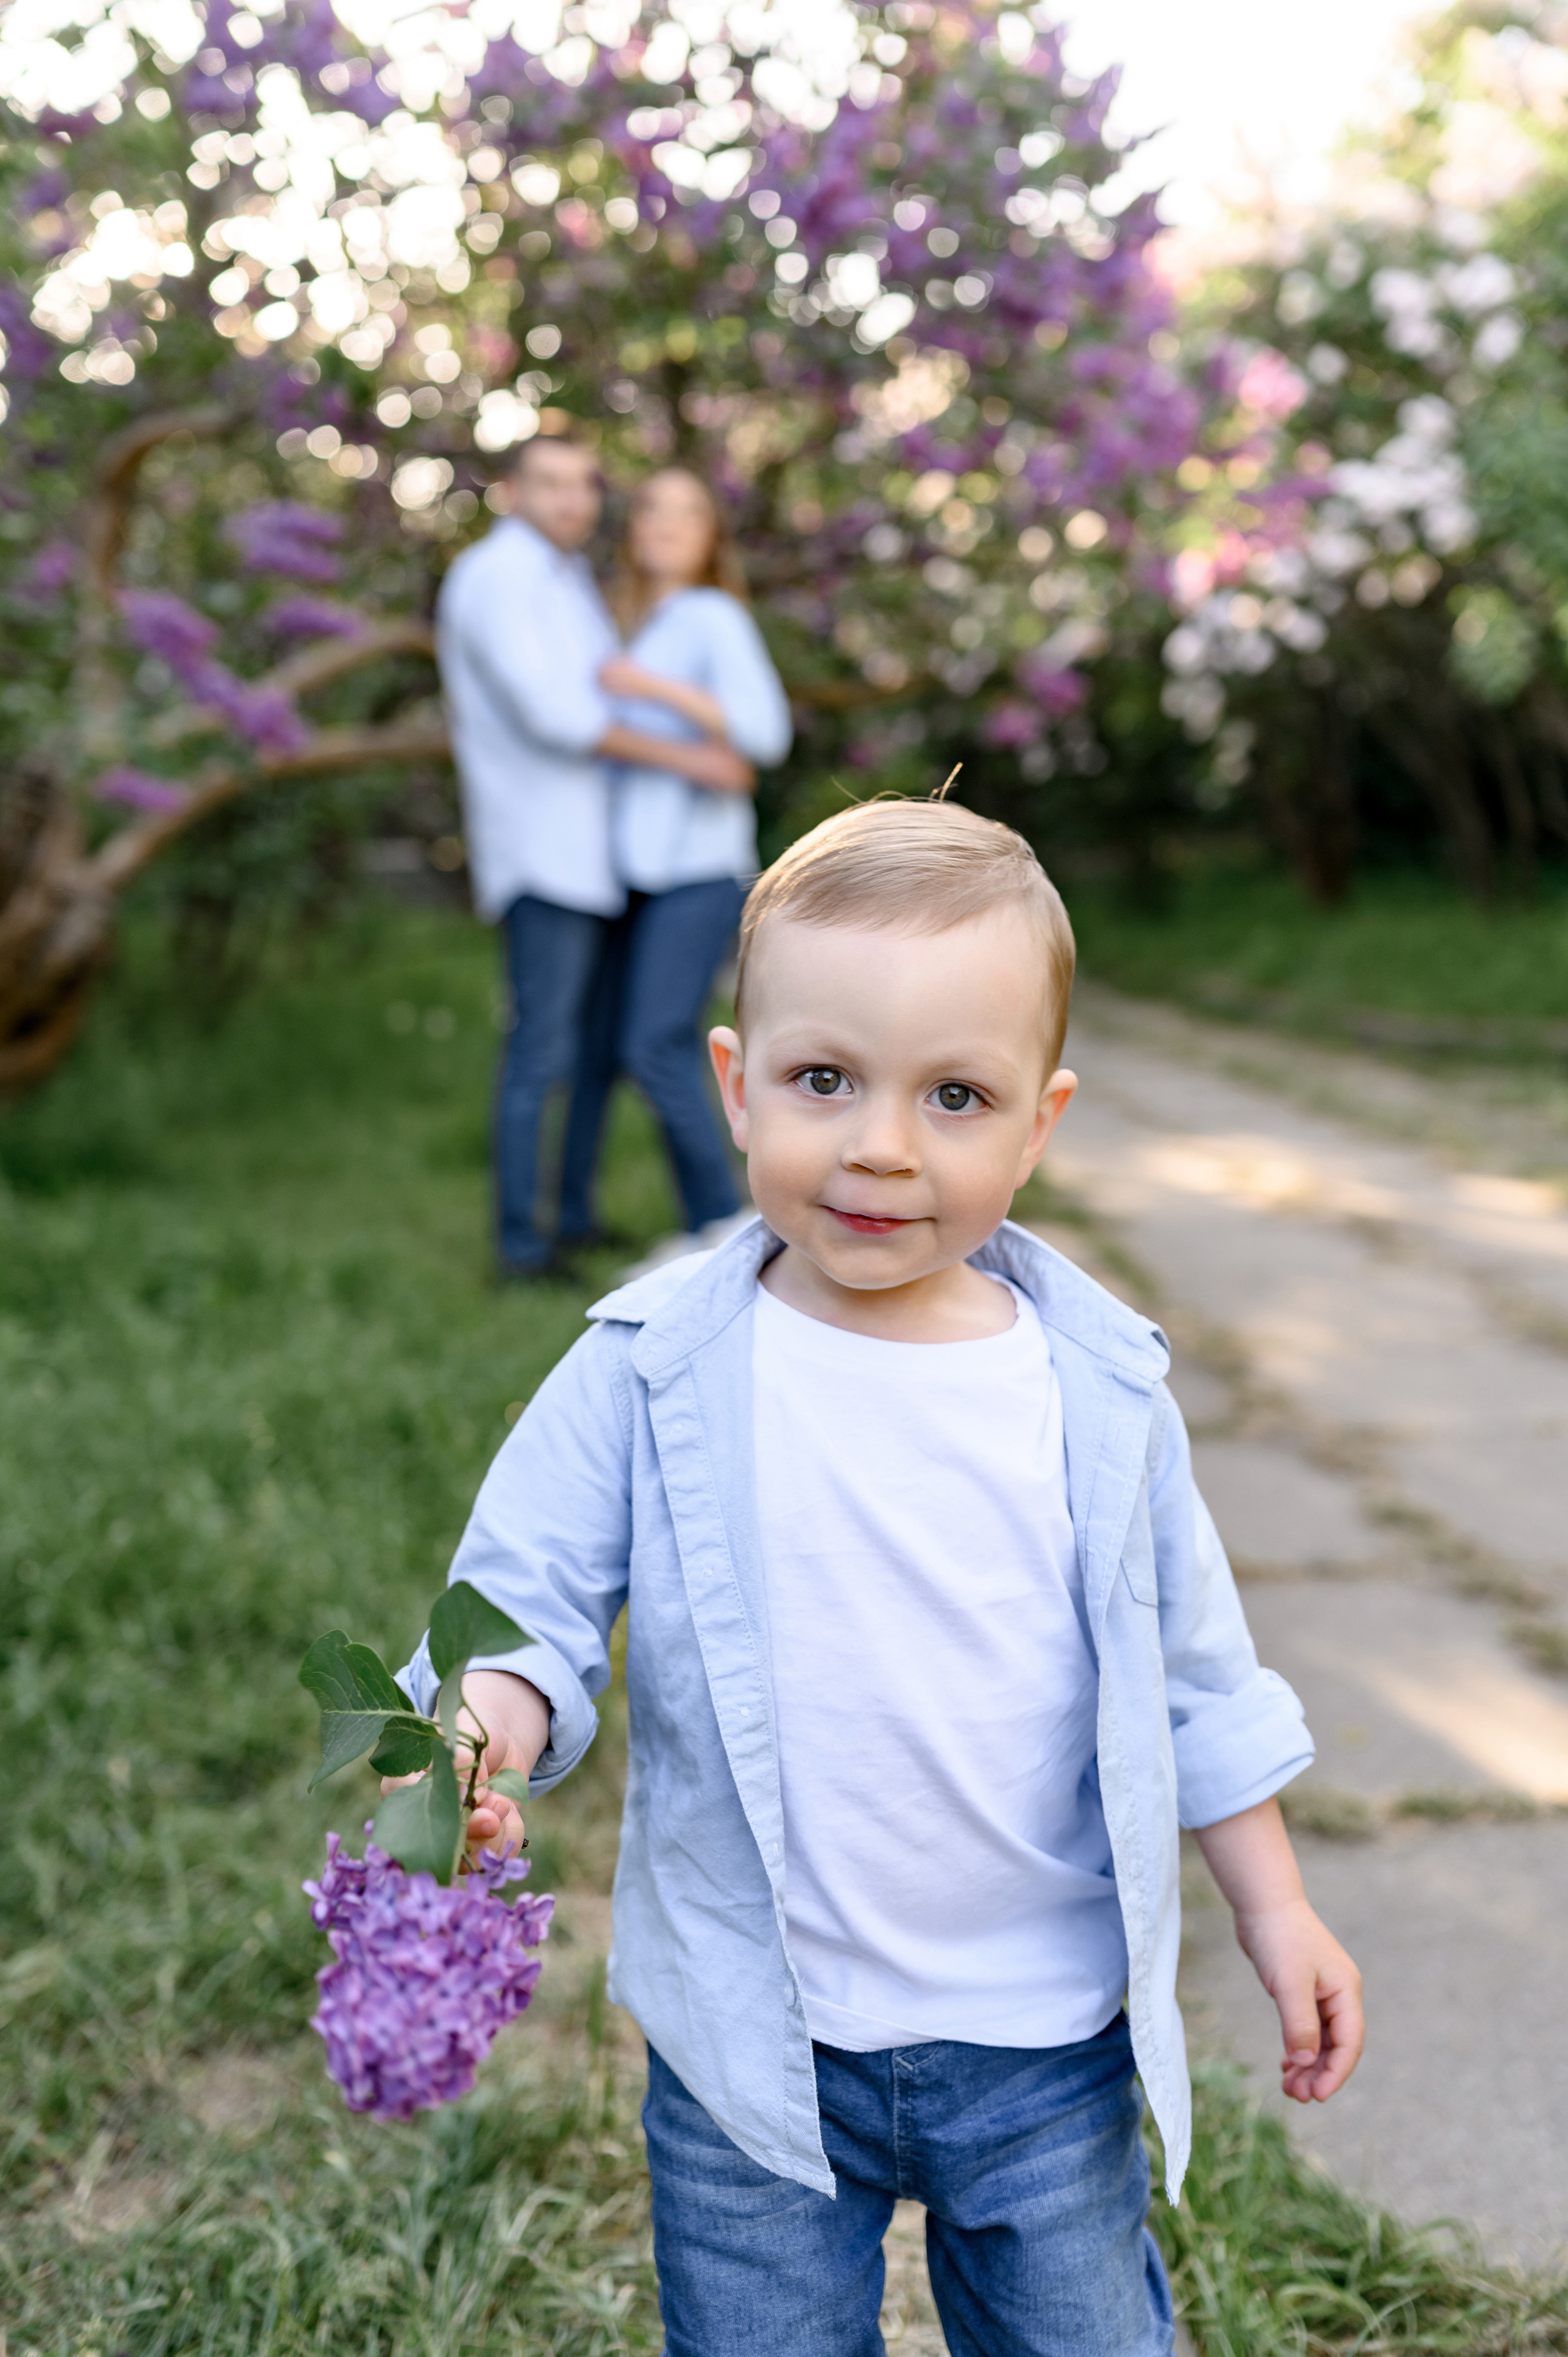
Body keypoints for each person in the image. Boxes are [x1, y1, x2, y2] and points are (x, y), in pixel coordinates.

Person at [395, 799, 1364, 2355]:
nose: (880, 1146)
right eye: (824, 1080)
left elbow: (1193, 1673)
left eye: (954, 1096)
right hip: (754, 2042)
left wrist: (1277, 1906)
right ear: (736, 1084)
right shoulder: (650, 1366)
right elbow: (527, 1597)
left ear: (1037, 1126)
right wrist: (479, 1727)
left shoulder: (1094, 1391)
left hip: (1043, 2038)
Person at [436, 433, 754, 1278]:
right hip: (543, 854)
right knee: (541, 1051)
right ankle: (522, 1247)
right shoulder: (497, 576)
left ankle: (572, 1218)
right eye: (551, 483)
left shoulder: (569, 579)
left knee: (596, 1052)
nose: (573, 500)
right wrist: (693, 760)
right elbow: (557, 716)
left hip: (601, 862)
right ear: (513, 490)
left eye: (585, 484)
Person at [558, 467, 792, 1253]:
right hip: (634, 876)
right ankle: (580, 1221)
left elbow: (766, 733)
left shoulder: (712, 615)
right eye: (652, 507)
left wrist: (650, 689)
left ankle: (722, 1226)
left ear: (710, 537)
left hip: (699, 871)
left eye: (687, 512)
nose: (665, 522)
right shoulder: (634, 622)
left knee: (655, 1046)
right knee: (608, 1047)